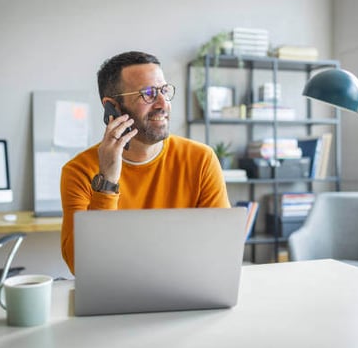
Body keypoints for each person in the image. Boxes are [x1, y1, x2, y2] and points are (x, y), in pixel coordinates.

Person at [60, 51, 230, 274]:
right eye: (148, 93)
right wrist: (108, 180)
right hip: (115, 298)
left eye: (164, 91)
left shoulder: (201, 160)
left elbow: (222, 249)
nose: (163, 104)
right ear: (113, 107)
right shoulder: (79, 171)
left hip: (185, 290)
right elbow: (81, 266)